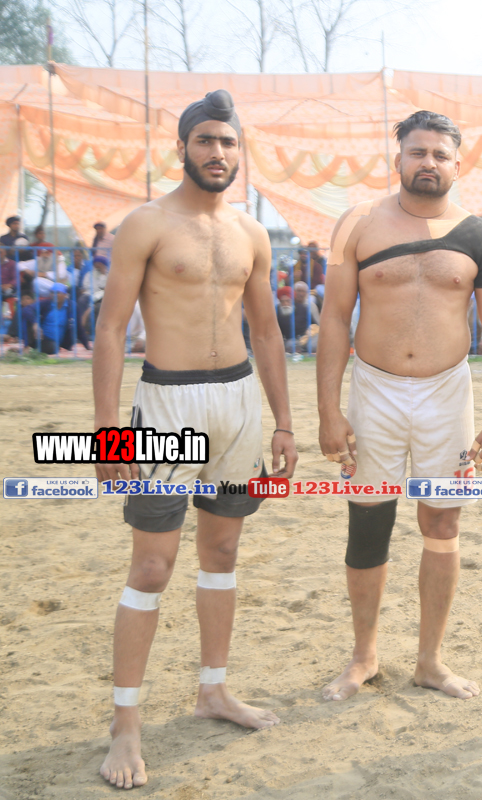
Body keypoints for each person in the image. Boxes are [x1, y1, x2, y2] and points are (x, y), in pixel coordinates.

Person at [92, 89, 297, 790]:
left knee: (223, 550)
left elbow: (266, 331)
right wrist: (107, 432)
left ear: (240, 153)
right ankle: (125, 723)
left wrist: (284, 421)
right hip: (166, 406)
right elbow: (111, 329)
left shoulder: (251, 232)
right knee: (152, 566)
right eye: (206, 140)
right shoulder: (146, 224)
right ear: (182, 147)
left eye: (228, 142)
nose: (218, 152)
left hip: (237, 402)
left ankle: (214, 690)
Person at [317, 110, 482, 705]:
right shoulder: (359, 224)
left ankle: (430, 661)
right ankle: (364, 657)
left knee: (442, 523)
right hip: (373, 389)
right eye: (418, 152)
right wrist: (329, 411)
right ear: (397, 157)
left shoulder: (479, 236)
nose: (429, 162)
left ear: (458, 164)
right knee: (368, 519)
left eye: (440, 154)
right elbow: (334, 319)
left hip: (446, 393)